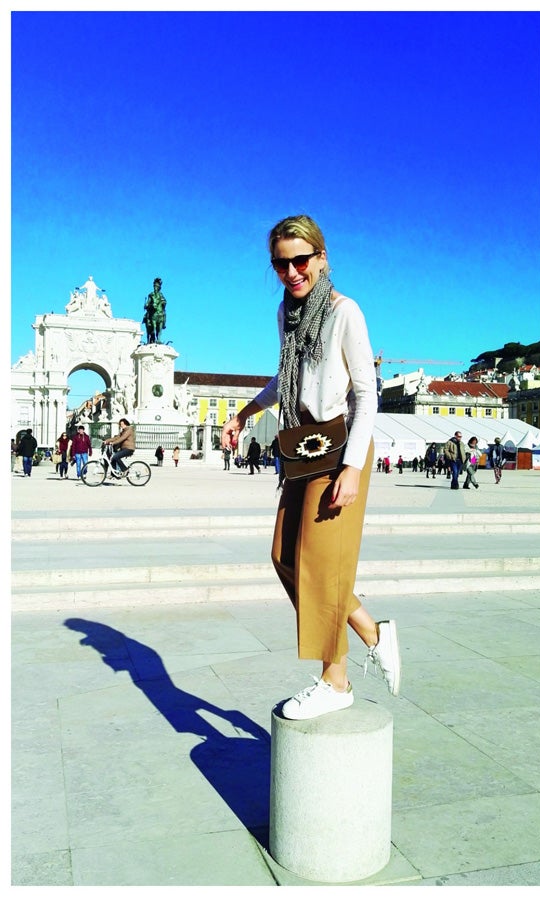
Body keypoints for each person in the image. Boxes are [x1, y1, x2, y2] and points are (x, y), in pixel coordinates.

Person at [221, 214, 399, 721]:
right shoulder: (287, 315)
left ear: (322, 257)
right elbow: (288, 380)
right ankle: (371, 630)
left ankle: (334, 681)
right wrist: (245, 412)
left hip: (338, 451)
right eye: (281, 263)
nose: (292, 271)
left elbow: (367, 395)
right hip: (300, 450)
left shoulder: (346, 313)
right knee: (283, 556)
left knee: (321, 568)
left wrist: (354, 469)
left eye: (301, 260)